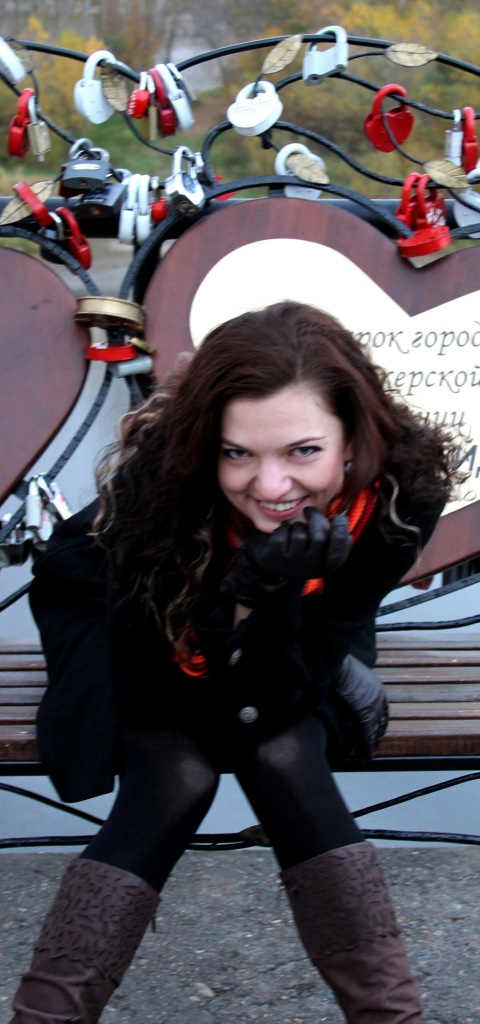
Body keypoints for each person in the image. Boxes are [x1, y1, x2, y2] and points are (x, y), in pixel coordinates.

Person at [10, 300, 461, 1024]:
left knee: (281, 747)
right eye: (237, 453)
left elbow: (275, 696)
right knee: (176, 769)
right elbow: (158, 684)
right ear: (207, 444)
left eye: (302, 452)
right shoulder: (160, 490)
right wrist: (248, 590)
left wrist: (269, 593)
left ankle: (390, 1014)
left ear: (353, 441)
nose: (270, 486)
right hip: (124, 609)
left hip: (305, 626)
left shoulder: (401, 495)